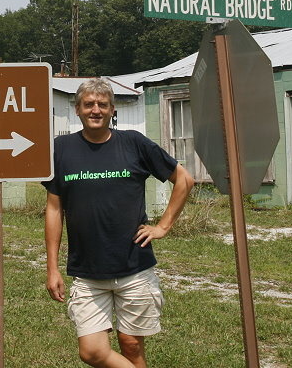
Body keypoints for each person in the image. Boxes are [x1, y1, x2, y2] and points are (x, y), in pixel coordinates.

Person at [42, 79, 194, 368]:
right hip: (87, 272)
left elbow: (184, 180)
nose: (95, 110)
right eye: (89, 104)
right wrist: (52, 268)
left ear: (113, 110)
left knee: (131, 345)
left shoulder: (134, 143)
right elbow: (53, 209)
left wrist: (163, 226)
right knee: (92, 352)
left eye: (102, 104)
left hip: (134, 267)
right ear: (77, 109)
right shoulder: (61, 149)